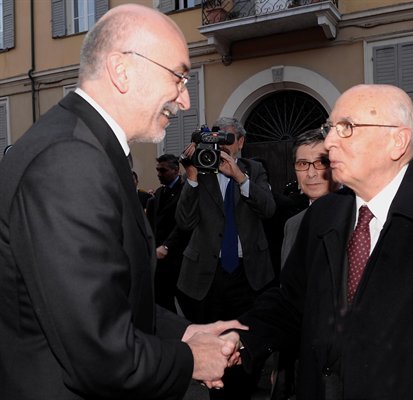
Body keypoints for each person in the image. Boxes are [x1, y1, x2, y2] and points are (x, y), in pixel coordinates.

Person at [0, 4, 244, 399]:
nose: (184, 100)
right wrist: (191, 359)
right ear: (122, 70)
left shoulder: (86, 145)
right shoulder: (69, 160)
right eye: (179, 77)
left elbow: (113, 298)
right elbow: (98, 353)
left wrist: (185, 332)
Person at [223, 84, 413, 399]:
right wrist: (240, 339)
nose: (329, 142)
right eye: (329, 128)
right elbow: (292, 302)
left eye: (346, 128)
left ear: (397, 141)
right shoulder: (324, 214)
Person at [175, 116, 276, 399]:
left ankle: (244, 390)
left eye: (228, 138)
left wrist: (240, 177)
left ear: (240, 142)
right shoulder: (201, 171)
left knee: (245, 342)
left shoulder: (254, 170)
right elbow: (183, 221)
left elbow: (269, 209)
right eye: (215, 138)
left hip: (248, 275)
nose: (221, 145)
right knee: (212, 343)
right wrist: (192, 177)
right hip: (208, 276)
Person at [280, 129, 336, 267]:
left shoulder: (358, 220)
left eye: (321, 162)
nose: (311, 174)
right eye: (303, 164)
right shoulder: (292, 225)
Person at [146, 153, 190, 312]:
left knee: (187, 305)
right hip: (160, 260)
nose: (159, 174)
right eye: (158, 170)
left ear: (176, 170)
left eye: (163, 170)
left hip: (179, 257)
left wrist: (167, 246)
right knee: (163, 303)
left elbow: (183, 225)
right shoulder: (158, 194)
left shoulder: (185, 192)